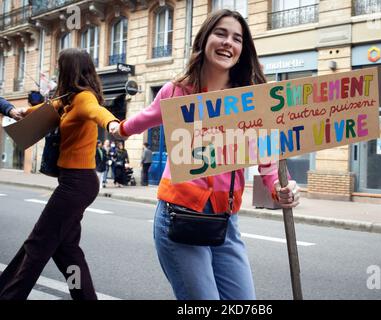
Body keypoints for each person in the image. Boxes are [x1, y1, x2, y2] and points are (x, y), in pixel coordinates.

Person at [112, 9, 300, 300]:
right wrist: (120, 129)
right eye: (221, 34)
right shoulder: (177, 91)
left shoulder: (252, 98)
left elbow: (268, 160)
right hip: (179, 218)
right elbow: (145, 119)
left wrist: (278, 189)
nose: (228, 43)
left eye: (237, 38)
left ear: (242, 49)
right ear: (205, 39)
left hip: (226, 221)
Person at [0, 48, 120, 300]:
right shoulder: (67, 100)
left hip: (78, 183)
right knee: (66, 250)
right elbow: (44, 109)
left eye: (59, 66)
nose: (56, 71)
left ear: (69, 69)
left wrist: (113, 125)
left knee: (38, 243)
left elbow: (98, 113)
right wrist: (17, 112)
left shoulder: (84, 98)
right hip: (73, 182)